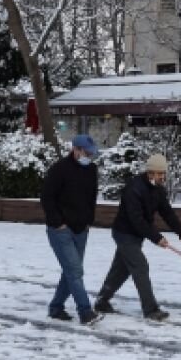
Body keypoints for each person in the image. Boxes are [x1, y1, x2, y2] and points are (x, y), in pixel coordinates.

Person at [94, 153, 181, 322]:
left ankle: (102, 301)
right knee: (140, 266)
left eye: (163, 173)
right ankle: (151, 309)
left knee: (121, 270)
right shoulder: (134, 189)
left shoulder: (158, 189)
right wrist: (156, 238)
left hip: (137, 235)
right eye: (159, 173)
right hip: (124, 233)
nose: (162, 176)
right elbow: (136, 219)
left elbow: (167, 212)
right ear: (150, 173)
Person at [40, 133, 102, 325]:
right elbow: (47, 197)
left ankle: (56, 307)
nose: (89, 157)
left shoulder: (91, 170)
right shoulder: (59, 170)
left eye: (91, 154)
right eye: (86, 152)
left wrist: (89, 219)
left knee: (71, 271)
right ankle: (85, 311)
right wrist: (58, 222)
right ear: (75, 150)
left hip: (81, 229)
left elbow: (92, 196)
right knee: (74, 271)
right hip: (61, 230)